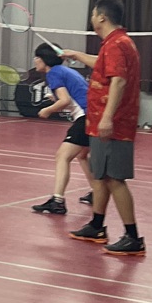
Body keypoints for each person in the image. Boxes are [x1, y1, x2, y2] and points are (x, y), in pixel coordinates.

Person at [63, 0, 145, 256]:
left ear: (102, 17)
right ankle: (97, 226)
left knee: (114, 179)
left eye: (93, 14)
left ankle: (133, 237)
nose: (91, 18)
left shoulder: (117, 44)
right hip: (99, 122)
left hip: (113, 125)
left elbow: (118, 81)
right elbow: (102, 63)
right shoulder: (116, 43)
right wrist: (77, 55)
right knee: (101, 176)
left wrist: (108, 117)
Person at [29, 42, 97, 215]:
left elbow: (65, 100)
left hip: (86, 117)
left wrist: (48, 110)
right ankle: (97, 192)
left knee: (62, 156)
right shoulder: (66, 71)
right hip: (95, 115)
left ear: (44, 59)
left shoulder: (54, 73)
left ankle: (57, 201)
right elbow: (73, 96)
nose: (35, 60)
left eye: (37, 57)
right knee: (82, 155)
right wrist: (56, 100)